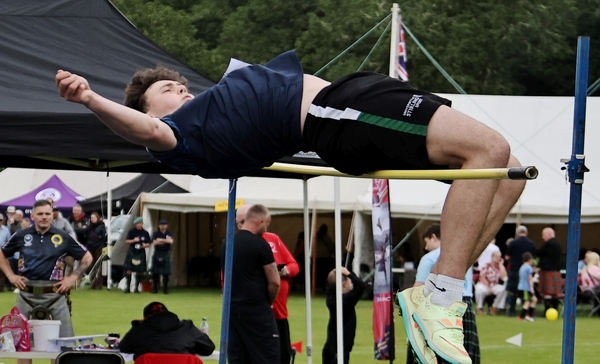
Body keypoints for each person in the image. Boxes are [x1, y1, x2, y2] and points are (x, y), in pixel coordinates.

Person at [56, 50, 526, 363]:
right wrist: (91, 98)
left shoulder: (213, 105)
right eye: (166, 91)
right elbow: (148, 131)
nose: (180, 90)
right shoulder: (178, 135)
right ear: (148, 110)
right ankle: (440, 296)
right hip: (335, 113)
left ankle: (437, 288)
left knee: (507, 174)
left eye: (179, 86)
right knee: (487, 149)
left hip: (345, 101)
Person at [0, 199, 92, 364]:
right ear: (33, 215)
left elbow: (87, 257)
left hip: (55, 295)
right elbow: (1, 253)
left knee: (63, 347)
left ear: (52, 215)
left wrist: (72, 278)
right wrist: (11, 276)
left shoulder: (63, 236)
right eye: (40, 214)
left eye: (47, 214)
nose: (44, 217)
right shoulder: (21, 235)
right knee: (22, 347)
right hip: (26, 294)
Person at [399, 223, 480, 364]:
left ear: (434, 237)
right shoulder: (465, 255)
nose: (425, 247)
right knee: (465, 356)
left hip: (439, 305)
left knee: (432, 354)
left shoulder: (429, 258)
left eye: (426, 242)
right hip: (464, 305)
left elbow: (419, 289)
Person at [236, 204, 300, 364]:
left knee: (282, 356)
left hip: (279, 312)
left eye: (246, 220)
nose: (244, 225)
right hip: (255, 312)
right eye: (240, 222)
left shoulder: (272, 239)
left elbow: (294, 265)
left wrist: (286, 271)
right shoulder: (237, 244)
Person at [221, 204, 280, 364]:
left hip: (232, 310)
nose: (266, 229)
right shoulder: (261, 245)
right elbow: (274, 281)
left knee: (238, 358)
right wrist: (267, 302)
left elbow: (225, 278)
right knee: (267, 356)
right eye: (266, 224)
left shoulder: (227, 243)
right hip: (256, 311)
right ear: (260, 221)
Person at [116, 301, 215, 360]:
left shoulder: (139, 328)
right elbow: (208, 348)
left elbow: (124, 347)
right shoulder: (187, 327)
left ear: (146, 318)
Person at [322, 266, 366, 364]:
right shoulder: (346, 301)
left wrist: (343, 271)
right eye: (350, 281)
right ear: (343, 284)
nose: (352, 284)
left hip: (331, 348)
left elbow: (330, 281)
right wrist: (349, 273)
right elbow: (361, 286)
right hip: (341, 349)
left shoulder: (331, 297)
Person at [505, 225, 536, 317]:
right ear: (526, 233)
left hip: (515, 268)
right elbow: (533, 258)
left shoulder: (513, 243)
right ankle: (526, 311)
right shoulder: (532, 243)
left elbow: (507, 257)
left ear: (517, 233)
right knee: (526, 291)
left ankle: (512, 311)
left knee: (512, 291)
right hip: (527, 270)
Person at [537, 227, 563, 313]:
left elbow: (539, 253)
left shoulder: (549, 244)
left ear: (549, 234)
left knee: (547, 293)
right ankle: (555, 309)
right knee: (555, 294)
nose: (542, 237)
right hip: (556, 270)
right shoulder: (558, 243)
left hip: (548, 271)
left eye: (543, 235)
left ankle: (547, 311)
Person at [474, 251, 508, 315]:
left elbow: (504, 277)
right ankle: (480, 307)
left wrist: (501, 265)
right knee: (479, 290)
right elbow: (482, 276)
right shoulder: (486, 265)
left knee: (503, 289)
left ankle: (494, 307)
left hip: (494, 285)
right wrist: (488, 287)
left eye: (499, 256)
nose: (498, 258)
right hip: (484, 284)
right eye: (496, 256)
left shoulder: (499, 267)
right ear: (492, 257)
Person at [124, 217, 151, 293]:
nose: (139, 225)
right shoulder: (131, 232)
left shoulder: (145, 233)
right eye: (138, 224)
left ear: (142, 224)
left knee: (139, 270)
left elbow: (149, 243)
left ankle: (136, 288)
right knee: (129, 270)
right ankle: (128, 288)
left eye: (140, 223)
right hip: (132, 251)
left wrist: (145, 245)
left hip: (141, 252)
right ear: (135, 224)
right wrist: (134, 240)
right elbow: (127, 241)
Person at [83, 212, 107, 289]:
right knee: (91, 266)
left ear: (97, 218)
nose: (93, 219)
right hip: (90, 248)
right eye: (91, 218)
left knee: (98, 266)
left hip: (98, 248)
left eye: (94, 217)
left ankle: (98, 284)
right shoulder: (89, 227)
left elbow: (104, 238)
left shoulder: (101, 227)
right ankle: (92, 283)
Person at [151, 219, 174, 294]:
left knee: (166, 273)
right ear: (158, 226)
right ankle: (155, 289)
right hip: (157, 253)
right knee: (155, 273)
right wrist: (165, 241)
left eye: (164, 224)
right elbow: (154, 242)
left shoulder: (169, 233)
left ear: (167, 225)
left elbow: (170, 241)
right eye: (161, 225)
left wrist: (160, 240)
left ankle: (165, 289)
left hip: (165, 253)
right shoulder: (156, 233)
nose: (162, 226)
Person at [517, 252, 537, 322]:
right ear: (529, 259)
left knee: (534, 299)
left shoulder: (522, 267)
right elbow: (530, 279)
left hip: (520, 287)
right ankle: (521, 317)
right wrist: (531, 288)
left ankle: (529, 315)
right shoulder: (529, 268)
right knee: (527, 302)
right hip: (526, 288)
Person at [0, 215, 10, 292]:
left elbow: (8, 242)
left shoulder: (6, 230)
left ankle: (1, 288)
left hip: (3, 253)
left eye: (0, 220)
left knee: (2, 272)